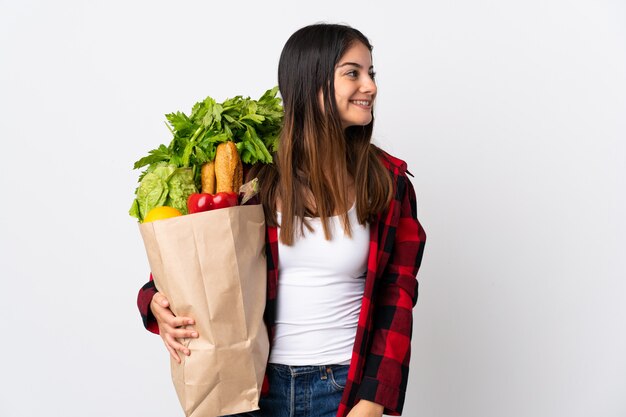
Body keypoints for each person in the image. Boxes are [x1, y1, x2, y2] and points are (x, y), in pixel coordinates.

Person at [137, 23, 426, 417]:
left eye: (371, 73)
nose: (370, 86)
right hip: (249, 386)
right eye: (353, 73)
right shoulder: (256, 176)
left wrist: (373, 401)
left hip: (342, 389)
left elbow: (398, 296)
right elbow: (200, 263)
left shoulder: (387, 182)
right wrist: (154, 302)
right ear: (312, 81)